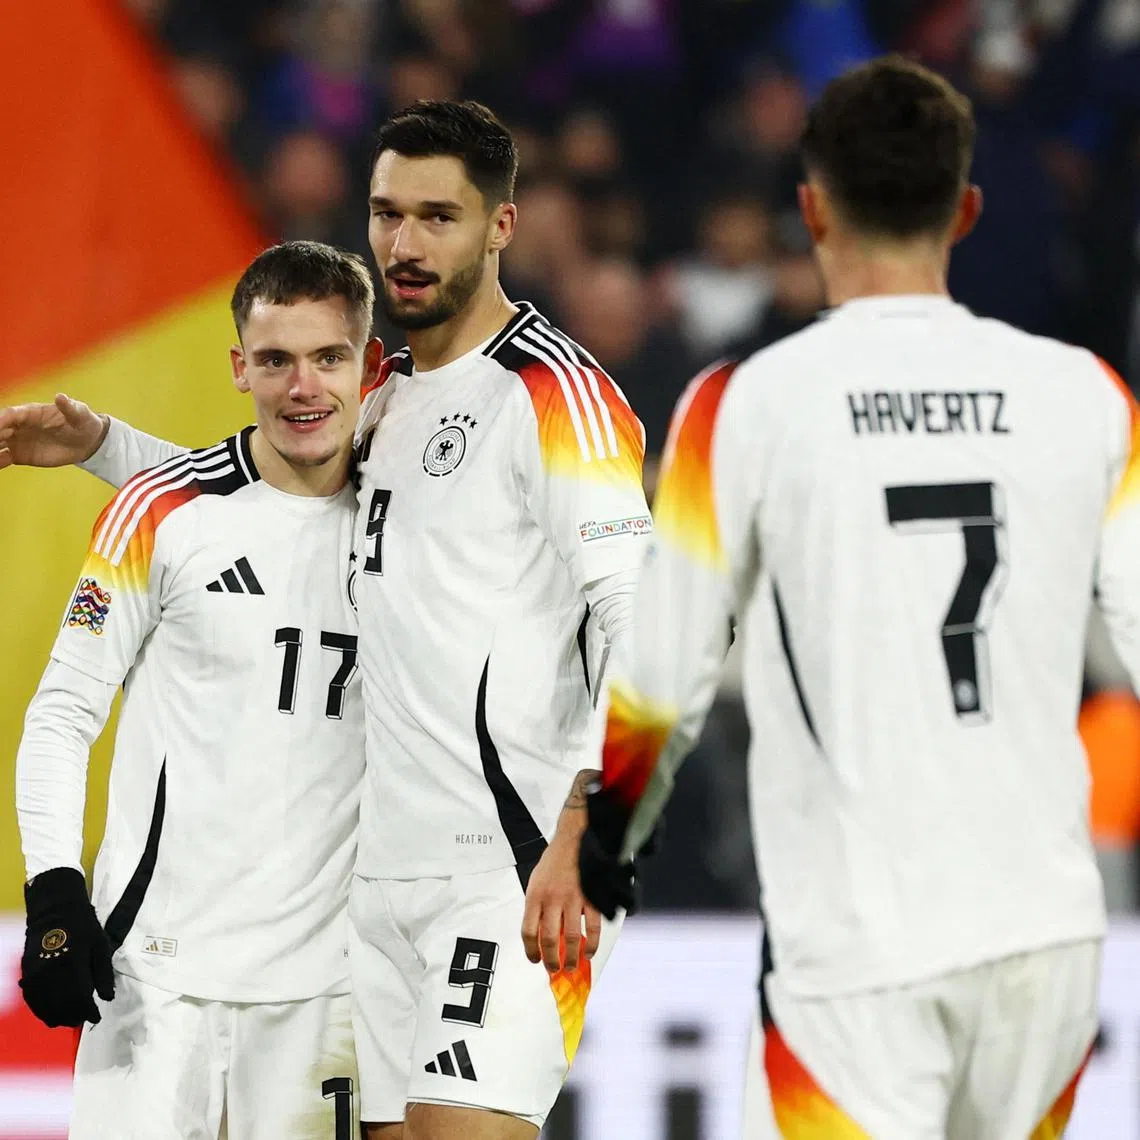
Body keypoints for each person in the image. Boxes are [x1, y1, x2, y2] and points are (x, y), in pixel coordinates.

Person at [1, 101, 651, 1140]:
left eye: (439, 215)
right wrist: (107, 448)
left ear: (503, 227)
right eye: (387, 212)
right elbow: (265, 503)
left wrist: (591, 822)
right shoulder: (391, 401)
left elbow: (657, 624)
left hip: (509, 870)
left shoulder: (552, 396)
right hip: (372, 908)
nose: (405, 240)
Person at [577, 56, 1130, 1138]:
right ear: (965, 210)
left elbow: (662, 680)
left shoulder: (744, 406)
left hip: (859, 950)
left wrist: (595, 858)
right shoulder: (1088, 396)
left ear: (810, 208)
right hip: (1046, 941)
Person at [12, 239, 377, 1139]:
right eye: (276, 360)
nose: (304, 387)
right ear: (237, 367)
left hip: (327, 992)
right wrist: (56, 894)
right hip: (154, 981)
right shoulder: (160, 515)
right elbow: (62, 715)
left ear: (370, 366)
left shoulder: (413, 523)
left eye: (329, 357)